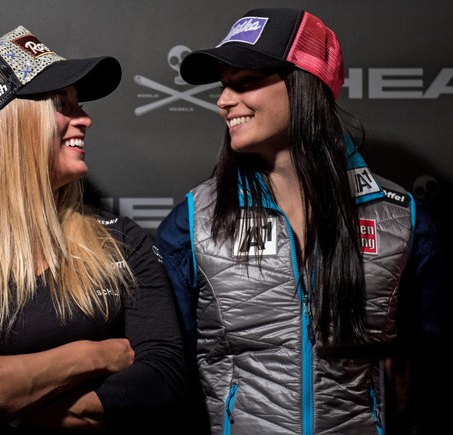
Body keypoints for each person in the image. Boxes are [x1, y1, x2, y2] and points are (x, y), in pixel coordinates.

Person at [154, 8, 445, 435]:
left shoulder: (402, 219)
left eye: (246, 82)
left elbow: (428, 370)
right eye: (223, 85)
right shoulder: (194, 221)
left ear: (306, 85)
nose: (223, 100)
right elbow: (168, 375)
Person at [0, 25, 187, 434]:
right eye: (64, 105)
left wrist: (6, 390)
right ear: (13, 125)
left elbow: (164, 377)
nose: (85, 118)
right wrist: (94, 355)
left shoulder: (121, 239)